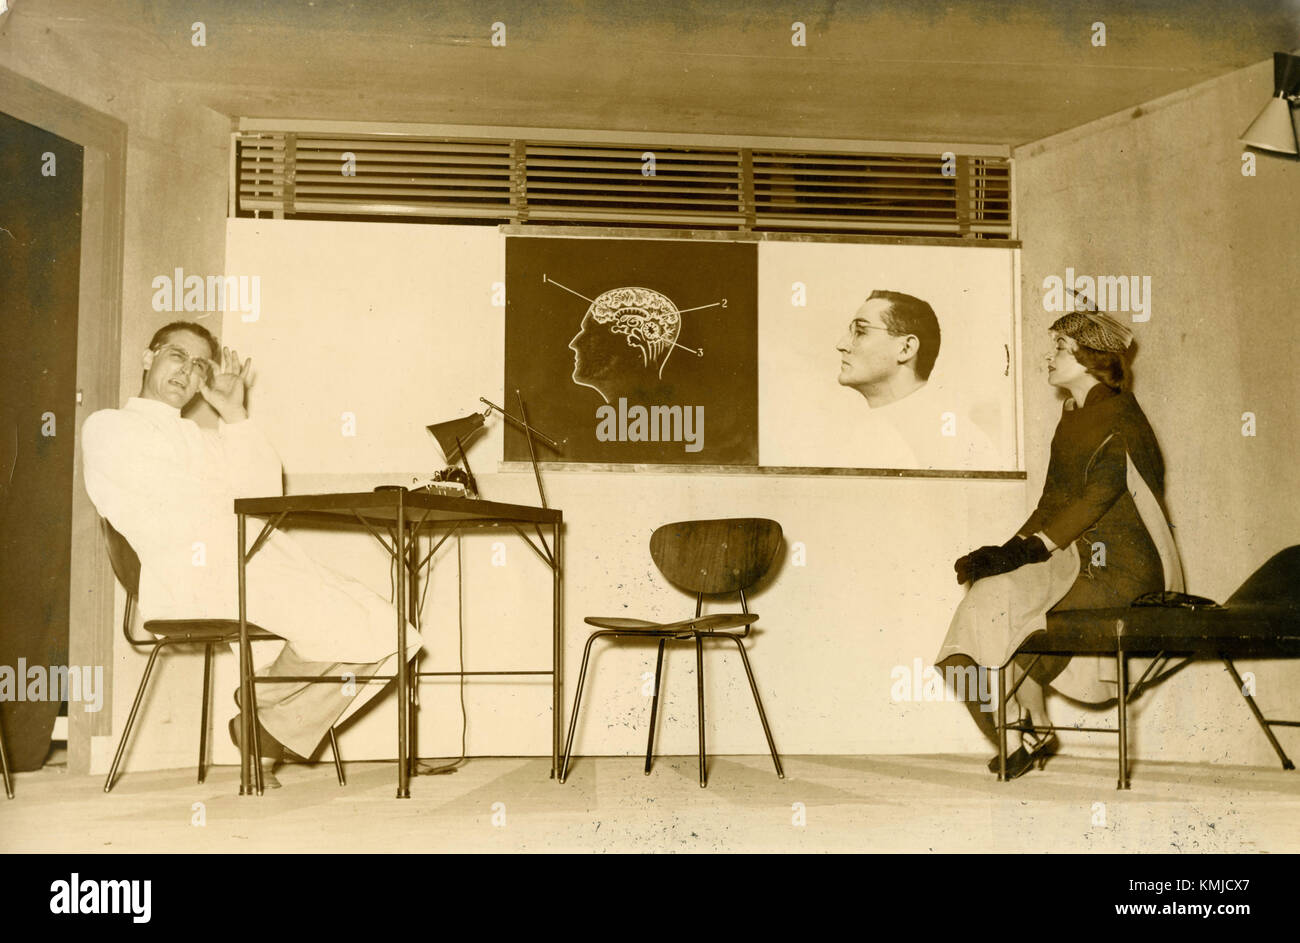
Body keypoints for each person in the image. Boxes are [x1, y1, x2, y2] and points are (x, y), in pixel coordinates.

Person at [82, 321, 423, 786]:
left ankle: (261, 715)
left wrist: (235, 415)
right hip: (185, 574)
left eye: (200, 364)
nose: (188, 370)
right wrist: (229, 499)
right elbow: (176, 507)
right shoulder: (108, 426)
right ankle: (265, 718)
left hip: (247, 564)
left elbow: (262, 499)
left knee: (390, 629)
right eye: (178, 355)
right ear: (148, 357)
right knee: (353, 625)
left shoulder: (203, 438)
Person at [935, 302, 1183, 778]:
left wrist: (1028, 552)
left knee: (1018, 620)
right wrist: (1004, 552)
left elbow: (1098, 497)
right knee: (988, 601)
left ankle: (1025, 731)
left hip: (1124, 571)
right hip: (1072, 561)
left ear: (1090, 358)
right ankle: (1027, 730)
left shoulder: (1122, 415)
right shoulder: (1072, 414)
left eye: (1060, 347)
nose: (1048, 356)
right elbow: (1051, 503)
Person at [835, 290, 996, 469]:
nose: (841, 345)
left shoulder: (963, 443)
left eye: (860, 332)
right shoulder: (860, 435)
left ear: (906, 348)